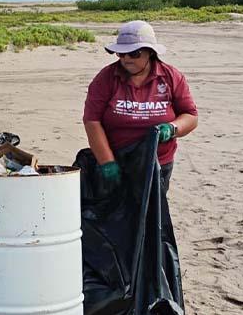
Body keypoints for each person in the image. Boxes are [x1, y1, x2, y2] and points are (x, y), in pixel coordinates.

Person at [83, 20, 198, 194]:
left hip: (158, 163)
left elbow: (190, 115)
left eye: (134, 53)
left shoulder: (171, 77)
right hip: (116, 160)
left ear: (150, 52)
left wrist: (172, 128)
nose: (126, 59)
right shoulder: (106, 78)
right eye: (121, 54)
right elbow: (92, 121)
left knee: (152, 209)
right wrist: (107, 163)